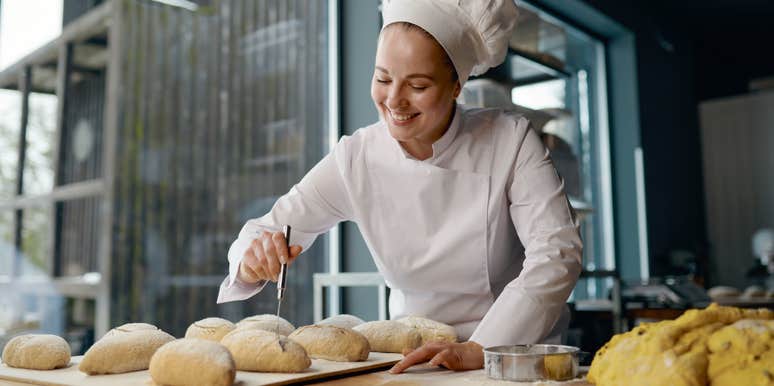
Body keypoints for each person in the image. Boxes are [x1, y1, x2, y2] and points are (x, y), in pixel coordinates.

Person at [217, 0, 582, 374]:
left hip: (513, 357)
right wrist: (253, 259)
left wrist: (481, 348)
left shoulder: (509, 140)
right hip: (416, 360)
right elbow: (268, 227)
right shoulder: (357, 158)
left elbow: (556, 252)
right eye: (383, 79)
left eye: (418, 85)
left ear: (457, 85)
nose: (394, 100)